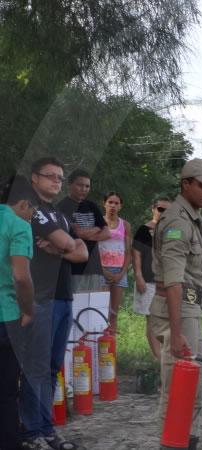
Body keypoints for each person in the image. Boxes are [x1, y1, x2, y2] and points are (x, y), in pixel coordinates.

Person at [149, 158, 202, 447]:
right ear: (185, 184)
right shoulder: (177, 221)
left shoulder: (193, 217)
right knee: (179, 389)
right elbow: (173, 280)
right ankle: (171, 444)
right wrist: (176, 333)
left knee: (198, 390)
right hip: (177, 310)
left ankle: (186, 441)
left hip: (190, 308)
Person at [21, 157, 88, 450]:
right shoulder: (32, 211)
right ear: (34, 178)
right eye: (51, 176)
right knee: (35, 368)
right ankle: (31, 432)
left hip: (64, 296)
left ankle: (47, 429)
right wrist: (65, 246)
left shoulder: (57, 214)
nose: (57, 182)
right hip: (40, 298)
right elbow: (68, 243)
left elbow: (81, 251)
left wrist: (59, 250)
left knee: (51, 367)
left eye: (60, 177)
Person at [0, 175, 36, 450]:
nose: (33, 215)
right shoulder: (18, 226)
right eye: (33, 209)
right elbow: (21, 278)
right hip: (6, 317)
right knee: (6, 389)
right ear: (24, 203)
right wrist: (28, 310)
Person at [57, 169, 110, 292]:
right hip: (73, 268)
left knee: (93, 308)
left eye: (87, 186)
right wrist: (96, 229)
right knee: (76, 307)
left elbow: (107, 233)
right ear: (70, 185)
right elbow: (74, 235)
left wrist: (84, 234)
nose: (84, 189)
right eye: (80, 185)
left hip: (94, 267)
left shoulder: (92, 206)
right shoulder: (61, 207)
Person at [132, 196, 171, 360]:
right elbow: (136, 254)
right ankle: (158, 358)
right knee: (152, 320)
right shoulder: (143, 229)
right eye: (161, 209)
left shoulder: (173, 230)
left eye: (168, 210)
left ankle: (167, 354)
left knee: (167, 320)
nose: (164, 213)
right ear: (153, 209)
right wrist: (139, 276)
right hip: (148, 280)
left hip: (168, 282)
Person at [98, 192, 131, 332]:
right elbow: (92, 249)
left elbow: (128, 251)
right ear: (104, 203)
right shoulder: (98, 222)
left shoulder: (125, 225)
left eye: (116, 203)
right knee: (101, 310)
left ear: (120, 206)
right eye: (110, 202)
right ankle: (99, 343)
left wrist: (122, 273)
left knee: (114, 312)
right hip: (101, 270)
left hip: (119, 270)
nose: (113, 205)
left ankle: (111, 347)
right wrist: (102, 270)